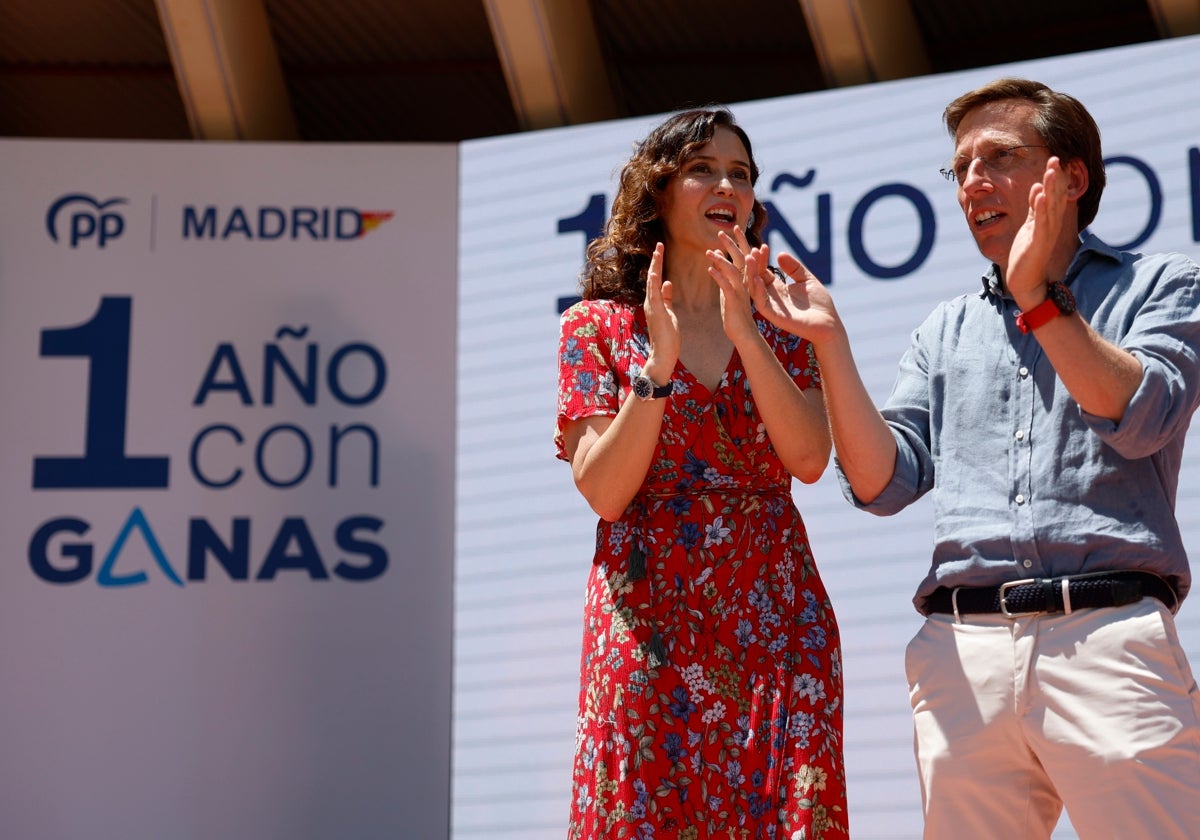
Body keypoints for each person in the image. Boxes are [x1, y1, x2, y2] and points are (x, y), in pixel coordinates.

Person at [745, 77, 1200, 839]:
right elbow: (881, 480)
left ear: (1072, 176)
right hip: (961, 657)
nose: (973, 183)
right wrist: (830, 344)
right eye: (959, 169)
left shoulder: (1164, 285)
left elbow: (1141, 414)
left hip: (1109, 637)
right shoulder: (945, 328)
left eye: (999, 157)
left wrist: (1040, 299)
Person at [555, 108, 849, 839]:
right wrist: (655, 371)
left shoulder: (786, 318)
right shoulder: (592, 327)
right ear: (657, 193)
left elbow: (809, 460)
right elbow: (605, 489)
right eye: (702, 169)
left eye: (741, 175)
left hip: (776, 615)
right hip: (649, 613)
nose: (728, 186)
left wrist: (748, 331)